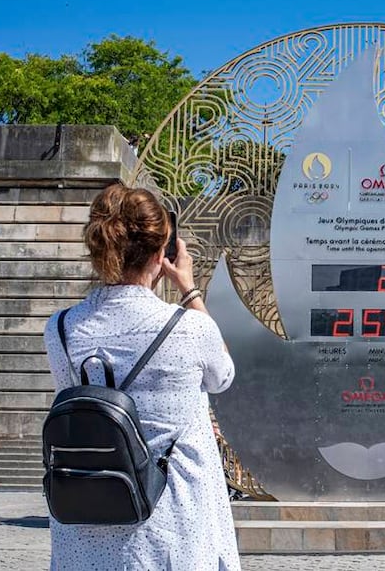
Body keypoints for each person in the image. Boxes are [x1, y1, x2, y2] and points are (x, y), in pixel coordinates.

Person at [44, 183, 240, 570]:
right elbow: (224, 374)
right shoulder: (190, 329)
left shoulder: (61, 330)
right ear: (159, 253)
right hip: (170, 526)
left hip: (84, 528)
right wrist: (188, 287)